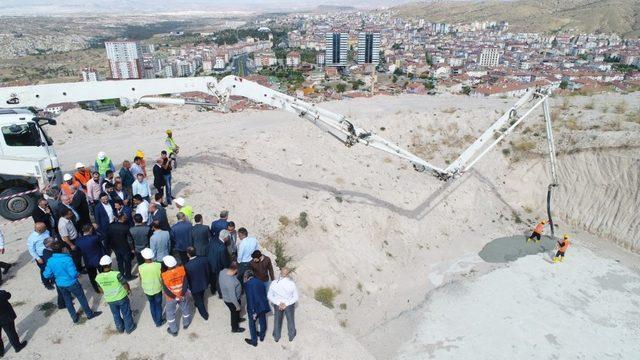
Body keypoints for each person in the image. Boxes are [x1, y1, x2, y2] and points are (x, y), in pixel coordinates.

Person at [43, 241, 102, 323]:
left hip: (60, 284)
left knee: (67, 300)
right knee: (81, 298)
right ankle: (89, 314)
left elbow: (46, 275)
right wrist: (77, 274)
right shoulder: (67, 259)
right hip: (72, 283)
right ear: (63, 249)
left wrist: (56, 277)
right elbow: (73, 274)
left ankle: (74, 318)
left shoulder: (50, 260)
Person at [95, 255, 136, 334]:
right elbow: (125, 284)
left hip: (110, 299)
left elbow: (100, 289)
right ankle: (129, 328)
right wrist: (128, 290)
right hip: (121, 297)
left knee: (115, 314)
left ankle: (120, 328)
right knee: (126, 313)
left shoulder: (98, 277)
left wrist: (106, 293)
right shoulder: (116, 274)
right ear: (110, 264)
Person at [161, 255, 192, 336]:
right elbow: (185, 283)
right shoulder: (181, 270)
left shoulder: (164, 275)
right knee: (185, 309)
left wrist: (175, 297)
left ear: (166, 265)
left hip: (171, 298)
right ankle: (186, 324)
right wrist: (181, 294)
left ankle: (173, 330)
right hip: (183, 295)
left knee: (170, 313)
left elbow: (166, 290)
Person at [268, 267, 298, 342]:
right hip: (289, 305)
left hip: (277, 304)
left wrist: (278, 303)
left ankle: (276, 337)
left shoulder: (274, 283)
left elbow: (269, 295)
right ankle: (291, 336)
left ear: (280, 273)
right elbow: (295, 297)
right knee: (290, 320)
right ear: (288, 274)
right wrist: (286, 304)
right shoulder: (292, 284)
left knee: (277, 320)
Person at [75, 224, 105, 293]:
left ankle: (97, 290)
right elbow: (104, 236)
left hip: (88, 261)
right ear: (91, 229)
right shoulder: (95, 238)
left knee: (92, 277)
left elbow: (78, 251)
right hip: (98, 260)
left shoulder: (78, 241)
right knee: (103, 274)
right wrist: (97, 228)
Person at [138, 248, 164, 327]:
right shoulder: (158, 265)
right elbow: (161, 276)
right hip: (157, 288)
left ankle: (156, 320)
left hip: (147, 290)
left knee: (152, 304)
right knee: (158, 305)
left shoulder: (140, 267)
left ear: (143, 257)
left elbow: (140, 278)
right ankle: (159, 322)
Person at [244, 269, 271, 346]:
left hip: (253, 308)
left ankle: (254, 341)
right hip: (263, 305)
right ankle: (262, 336)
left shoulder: (247, 285)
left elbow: (250, 299)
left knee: (252, 324)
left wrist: (253, 312)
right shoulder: (260, 281)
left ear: (246, 276)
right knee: (263, 320)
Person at [106, 214, 135, 280]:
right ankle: (128, 275)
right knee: (127, 261)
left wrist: (109, 246)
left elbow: (108, 237)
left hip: (115, 247)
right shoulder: (126, 227)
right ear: (123, 219)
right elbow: (129, 240)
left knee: (119, 261)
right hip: (125, 247)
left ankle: (121, 275)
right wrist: (132, 249)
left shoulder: (111, 226)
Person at [184, 247, 210, 320]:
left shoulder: (187, 266)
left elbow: (187, 279)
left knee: (199, 301)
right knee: (201, 295)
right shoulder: (203, 260)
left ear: (188, 254)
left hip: (194, 286)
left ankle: (204, 315)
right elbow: (207, 271)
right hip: (204, 282)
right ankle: (197, 303)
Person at [0, 290, 27, 356]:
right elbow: (8, 295)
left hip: (4, 316)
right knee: (11, 333)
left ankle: (0, 352)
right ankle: (17, 347)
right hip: (5, 316)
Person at [219, 262, 244, 333]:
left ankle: (238, 319)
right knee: (234, 313)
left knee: (236, 313)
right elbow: (233, 297)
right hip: (232, 301)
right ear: (235, 270)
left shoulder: (222, 271)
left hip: (227, 297)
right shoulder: (231, 282)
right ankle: (235, 328)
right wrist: (237, 306)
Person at [27, 222, 53, 289]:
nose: (46, 228)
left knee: (52, 267)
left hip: (49, 253)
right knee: (44, 270)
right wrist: (38, 258)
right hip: (41, 256)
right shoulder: (32, 238)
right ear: (39, 230)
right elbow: (31, 250)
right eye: (44, 228)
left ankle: (53, 279)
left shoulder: (46, 231)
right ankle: (46, 283)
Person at [207, 229, 231, 298]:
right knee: (219, 280)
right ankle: (221, 294)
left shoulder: (213, 240)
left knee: (212, 278)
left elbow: (207, 249)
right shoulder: (223, 248)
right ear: (225, 238)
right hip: (218, 266)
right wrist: (227, 267)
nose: (229, 238)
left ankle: (213, 290)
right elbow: (224, 261)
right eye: (228, 237)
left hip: (210, 263)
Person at [57, 207, 82, 271]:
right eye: (70, 214)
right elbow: (65, 237)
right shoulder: (63, 224)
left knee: (78, 254)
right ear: (66, 215)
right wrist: (71, 245)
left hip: (75, 239)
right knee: (76, 256)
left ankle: (80, 267)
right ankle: (78, 269)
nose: (72, 214)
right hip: (71, 242)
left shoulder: (67, 219)